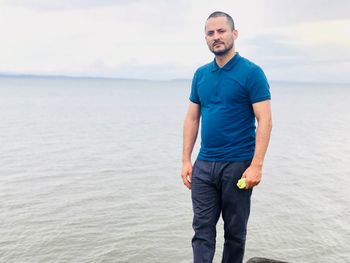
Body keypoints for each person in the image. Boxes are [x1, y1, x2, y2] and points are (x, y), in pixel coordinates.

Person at [180, 11, 272, 263]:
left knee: (234, 233)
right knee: (202, 232)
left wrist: (256, 166)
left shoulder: (251, 73)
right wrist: (186, 160)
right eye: (210, 33)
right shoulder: (200, 75)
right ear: (205, 38)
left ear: (234, 34)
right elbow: (192, 118)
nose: (216, 37)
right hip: (204, 166)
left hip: (238, 166)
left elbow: (264, 120)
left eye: (221, 31)